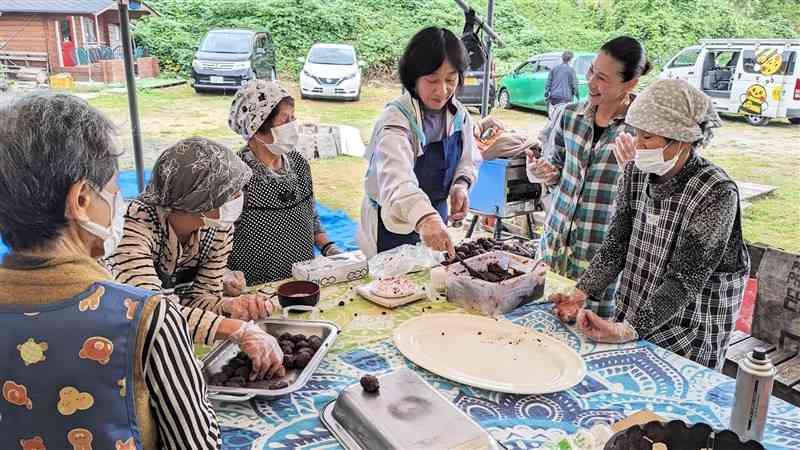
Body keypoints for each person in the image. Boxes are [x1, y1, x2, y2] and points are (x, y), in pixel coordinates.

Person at [0, 93, 220, 448]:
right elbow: (197, 444)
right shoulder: (145, 315)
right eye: (114, 191)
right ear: (82, 201)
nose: (119, 204)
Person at [552, 79, 750, 370]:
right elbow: (615, 246)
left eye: (649, 139)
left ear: (681, 140)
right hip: (636, 311)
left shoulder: (716, 192)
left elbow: (685, 280)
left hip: (690, 331)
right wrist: (580, 293)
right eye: (636, 135)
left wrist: (627, 329)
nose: (638, 146)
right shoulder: (636, 172)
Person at [110, 137, 284, 379]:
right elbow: (150, 313)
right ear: (201, 197)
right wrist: (237, 329)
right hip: (130, 356)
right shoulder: (133, 228)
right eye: (231, 192)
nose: (238, 198)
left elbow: (201, 298)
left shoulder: (218, 227)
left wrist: (230, 306)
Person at [527, 36, 651, 318]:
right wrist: (542, 173)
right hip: (554, 248)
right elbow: (555, 169)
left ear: (630, 83)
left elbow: (653, 201)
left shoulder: (642, 131)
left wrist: (635, 169)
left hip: (601, 260)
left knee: (589, 335)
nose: (591, 81)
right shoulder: (569, 115)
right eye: (592, 70)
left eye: (603, 78)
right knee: (536, 325)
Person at [357, 26, 480, 257]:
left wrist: (461, 185)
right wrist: (424, 217)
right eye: (432, 80)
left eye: (451, 79)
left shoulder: (459, 115)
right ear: (414, 78)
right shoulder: (396, 120)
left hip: (436, 214)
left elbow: (468, 159)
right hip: (394, 222)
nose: (442, 90)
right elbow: (396, 178)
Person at [227, 80, 342, 285]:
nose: (293, 125)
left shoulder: (298, 163)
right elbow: (219, 236)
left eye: (293, 117)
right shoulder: (236, 174)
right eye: (285, 119)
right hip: (257, 288)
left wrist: (330, 248)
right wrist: (226, 277)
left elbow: (310, 216)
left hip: (305, 279)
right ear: (258, 125)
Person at [545, 50, 579, 117]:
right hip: (566, 98)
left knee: (554, 116)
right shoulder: (571, 70)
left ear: (562, 58)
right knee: (562, 117)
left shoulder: (554, 69)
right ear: (571, 59)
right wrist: (577, 96)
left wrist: (546, 93)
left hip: (554, 97)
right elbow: (574, 85)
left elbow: (548, 82)